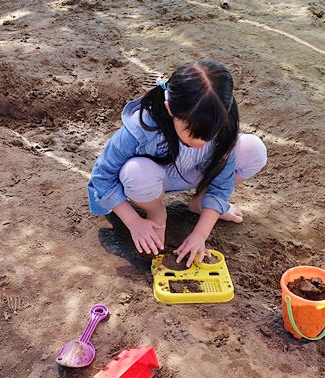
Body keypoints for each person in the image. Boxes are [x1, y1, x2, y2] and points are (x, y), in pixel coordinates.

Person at [88, 60, 267, 267]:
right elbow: (102, 177)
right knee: (136, 172)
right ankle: (155, 209)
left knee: (254, 149)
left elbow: (222, 184)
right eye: (192, 133)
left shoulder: (223, 125)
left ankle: (200, 202)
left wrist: (200, 235)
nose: (200, 143)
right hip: (153, 179)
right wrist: (134, 222)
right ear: (170, 108)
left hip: (195, 173)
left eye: (209, 135)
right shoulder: (141, 127)